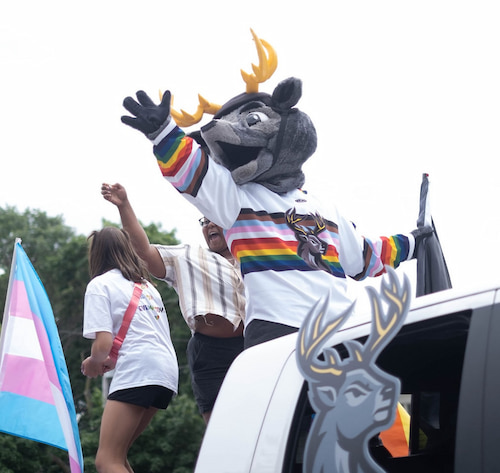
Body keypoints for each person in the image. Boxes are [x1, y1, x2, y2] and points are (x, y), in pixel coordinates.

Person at [101, 182, 245, 423]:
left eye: (214, 219)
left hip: (255, 347)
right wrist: (124, 206)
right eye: (204, 221)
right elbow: (144, 252)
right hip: (212, 353)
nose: (209, 224)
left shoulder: (257, 257)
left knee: (262, 420)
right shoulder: (189, 256)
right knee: (220, 428)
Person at [81, 226, 178, 473]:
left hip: (138, 370)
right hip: (165, 372)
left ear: (96, 254)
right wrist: (109, 359)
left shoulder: (99, 285)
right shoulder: (147, 287)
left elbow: (102, 343)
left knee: (106, 461)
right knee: (117, 457)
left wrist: (93, 362)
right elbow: (143, 335)